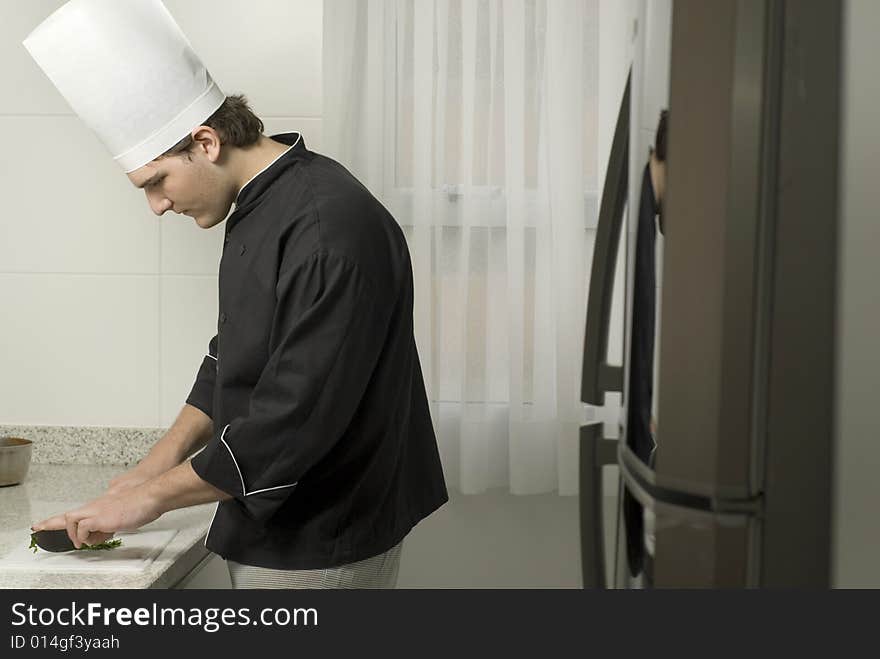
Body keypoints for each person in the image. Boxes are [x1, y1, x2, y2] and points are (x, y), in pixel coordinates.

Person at [24, 0, 448, 589]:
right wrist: (149, 470)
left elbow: (291, 422)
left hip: (321, 542)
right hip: (270, 522)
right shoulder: (261, 203)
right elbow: (234, 353)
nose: (157, 205)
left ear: (205, 142)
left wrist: (147, 502)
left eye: (156, 182)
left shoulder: (329, 230)